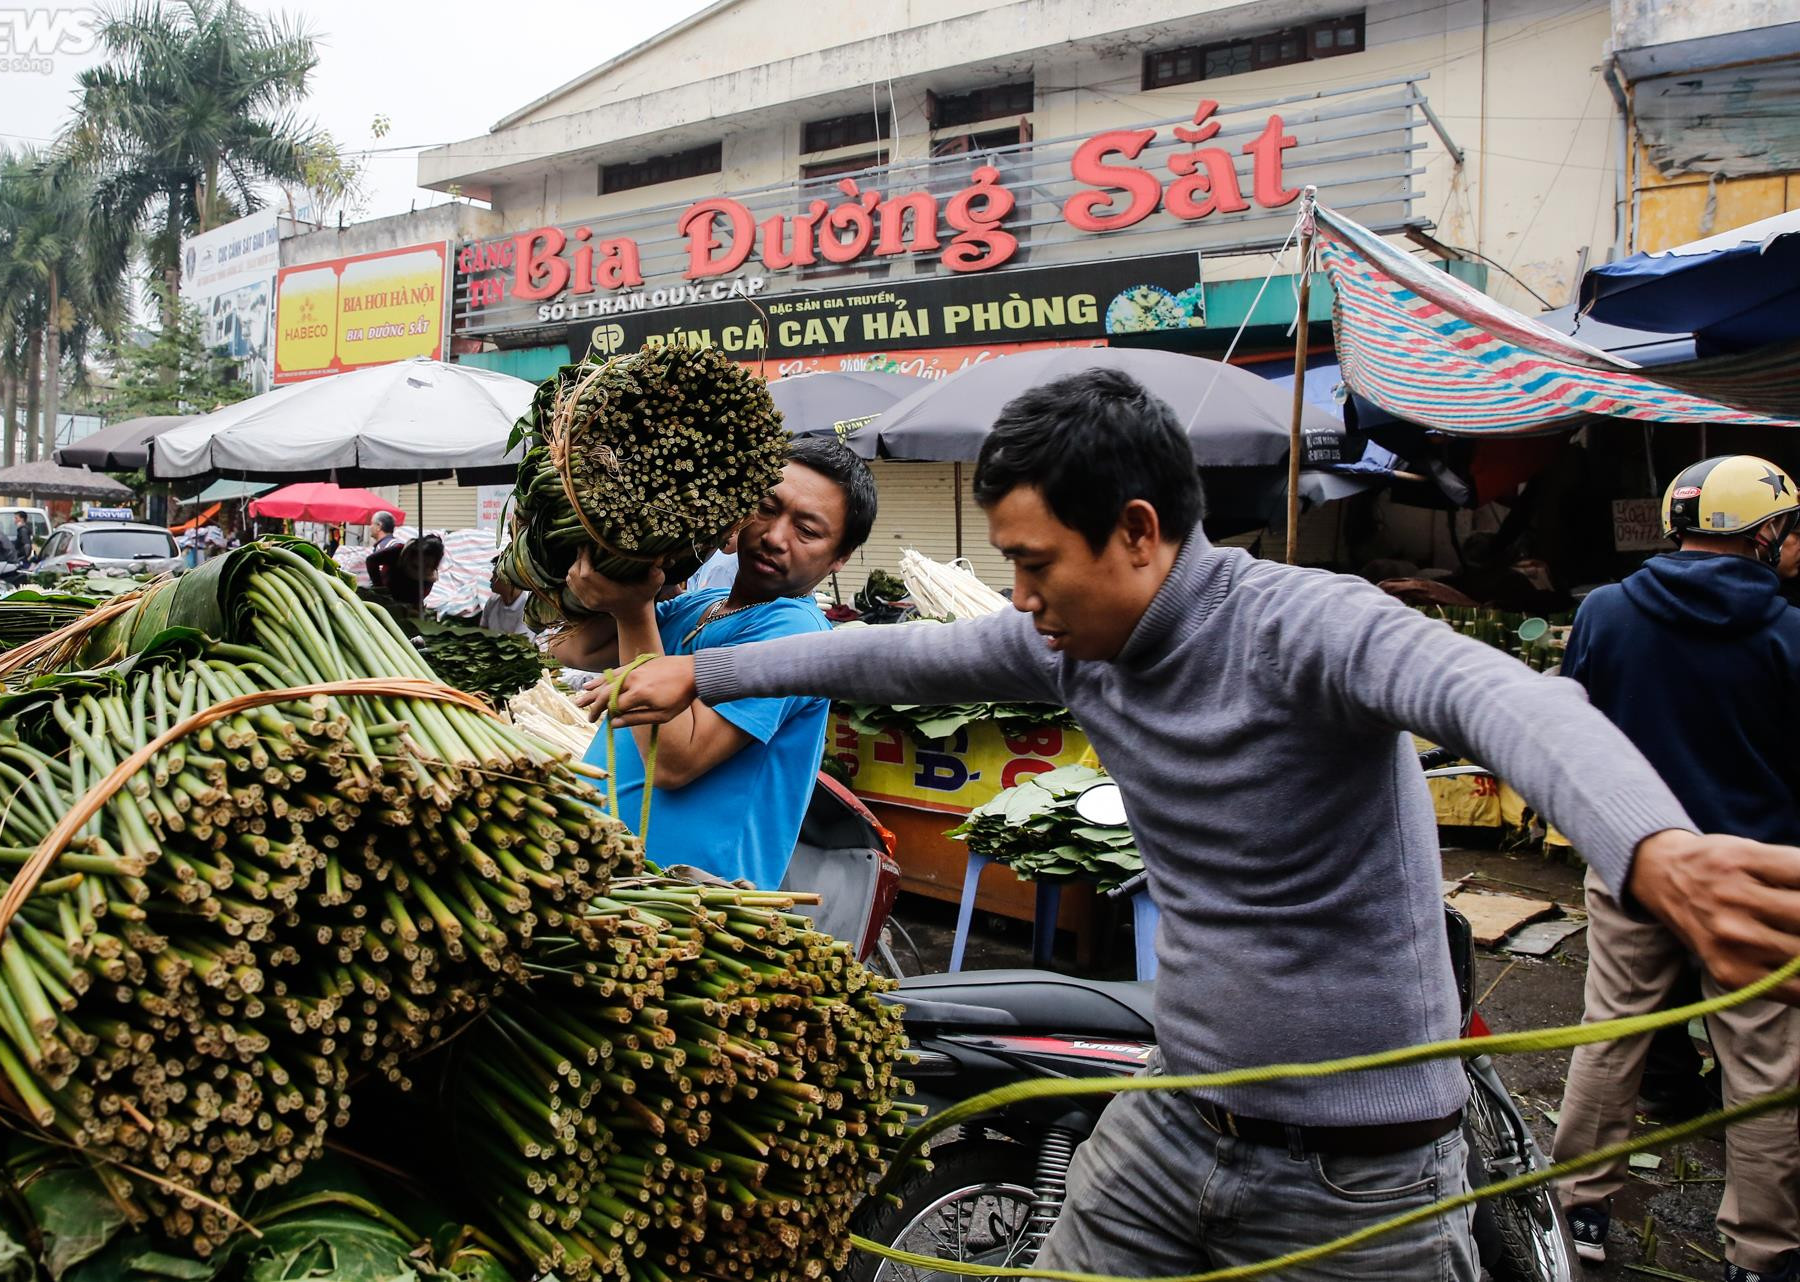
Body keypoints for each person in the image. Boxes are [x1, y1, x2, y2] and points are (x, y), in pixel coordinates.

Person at [586, 369, 1800, 1280]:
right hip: (1175, 1113)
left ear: (1133, 531)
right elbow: (885, 650)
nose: (1017, 599)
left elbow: (1503, 698)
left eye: (1032, 562)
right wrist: (704, 677)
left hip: (1362, 1173)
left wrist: (1651, 844)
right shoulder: (1073, 640)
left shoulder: (1308, 626)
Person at [1550, 455, 1800, 1282]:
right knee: (1764, 1065)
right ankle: (1762, 1255)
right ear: (1763, 533)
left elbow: (1574, 725)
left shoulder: (1606, 613)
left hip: (1633, 859)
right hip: (1757, 879)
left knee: (1612, 1033)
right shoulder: (1789, 632)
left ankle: (1576, 1208)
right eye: (1789, 529)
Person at [552, 436, 876, 890]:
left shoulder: (795, 630)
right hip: (607, 876)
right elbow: (574, 649)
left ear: (839, 557)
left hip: (686, 904)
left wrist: (632, 609)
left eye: (807, 530)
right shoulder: (699, 605)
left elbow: (671, 763)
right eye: (766, 507)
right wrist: (628, 556)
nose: (775, 537)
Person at [364, 512, 402, 590]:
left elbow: (380, 574)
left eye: (372, 524)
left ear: (379, 526)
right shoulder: (395, 544)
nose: (370, 527)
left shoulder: (383, 547)